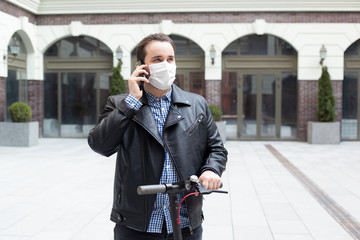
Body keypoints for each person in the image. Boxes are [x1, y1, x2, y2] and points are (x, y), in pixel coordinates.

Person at [88, 33, 227, 240]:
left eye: (170, 59)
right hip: (136, 225)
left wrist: (211, 169)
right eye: (157, 60)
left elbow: (216, 148)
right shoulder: (120, 104)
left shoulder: (197, 104)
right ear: (141, 66)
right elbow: (100, 145)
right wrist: (132, 102)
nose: (166, 65)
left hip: (186, 223)